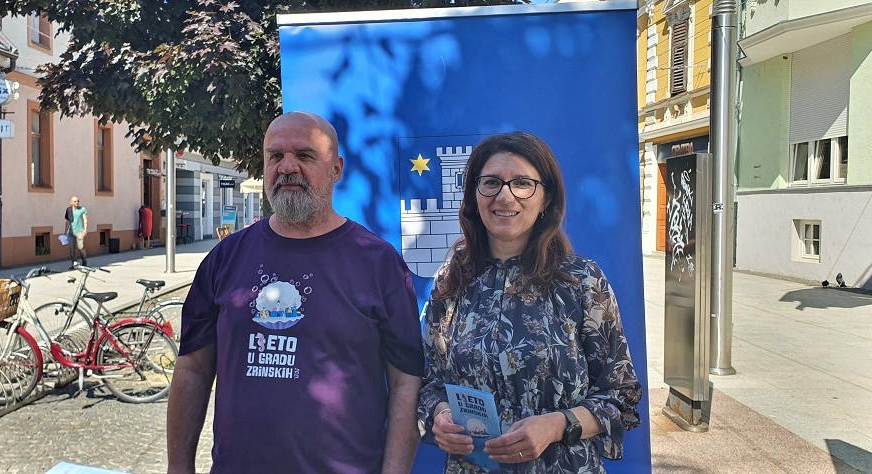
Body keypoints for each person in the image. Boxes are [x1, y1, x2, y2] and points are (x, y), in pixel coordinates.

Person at [167, 111, 424, 474]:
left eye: (304, 155)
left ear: (336, 169)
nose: (287, 167)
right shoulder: (225, 258)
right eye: (275, 156)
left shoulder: (378, 263)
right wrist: (179, 467)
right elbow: (193, 368)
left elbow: (405, 382)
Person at [418, 132, 642, 473]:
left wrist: (556, 425)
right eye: (491, 182)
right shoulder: (451, 280)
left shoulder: (582, 281)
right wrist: (441, 415)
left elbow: (620, 395)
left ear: (546, 198)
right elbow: (431, 383)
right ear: (474, 196)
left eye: (522, 183)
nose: (505, 196)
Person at [64, 196, 88, 268]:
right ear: (71, 202)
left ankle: (84, 260)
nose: (77, 202)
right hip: (71, 232)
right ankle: (74, 264)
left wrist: (85, 229)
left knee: (80, 247)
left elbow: (85, 220)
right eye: (75, 201)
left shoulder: (82, 209)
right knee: (72, 249)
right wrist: (65, 230)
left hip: (80, 232)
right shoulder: (68, 210)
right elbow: (67, 221)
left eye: (78, 201)